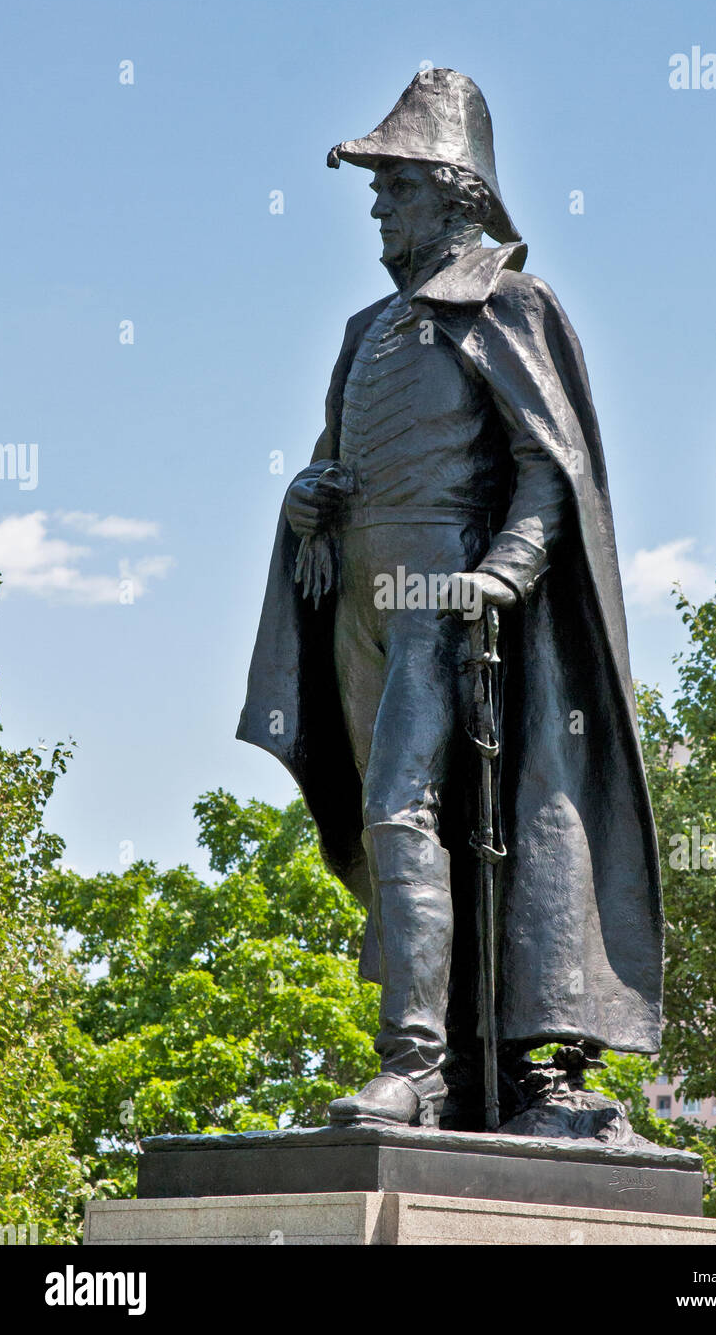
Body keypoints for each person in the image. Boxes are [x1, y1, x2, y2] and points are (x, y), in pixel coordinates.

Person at [238, 69, 663, 1131]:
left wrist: (504, 574)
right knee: (399, 833)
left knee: (407, 809)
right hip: (360, 607)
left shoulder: (509, 302)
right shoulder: (363, 332)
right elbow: (338, 463)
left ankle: (425, 1065)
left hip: (447, 601)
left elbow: (544, 469)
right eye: (374, 187)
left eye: (394, 184)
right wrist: (306, 499)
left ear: (454, 190)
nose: (377, 205)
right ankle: (452, 1067)